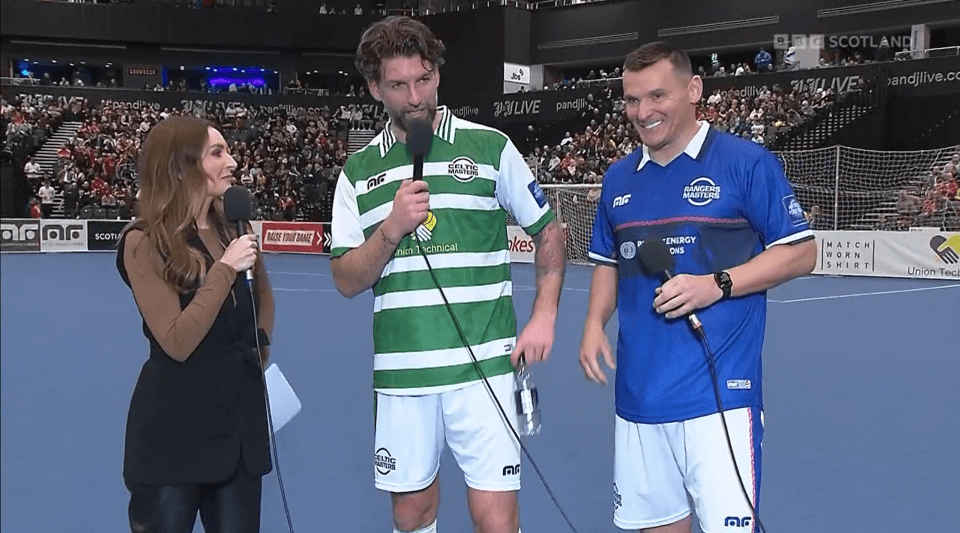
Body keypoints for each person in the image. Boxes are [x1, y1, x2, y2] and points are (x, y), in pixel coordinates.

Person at [330, 16, 565, 533]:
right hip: (403, 375)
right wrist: (391, 229)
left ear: (437, 73)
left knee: (496, 520)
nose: (415, 97)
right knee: (411, 514)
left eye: (423, 79)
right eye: (398, 84)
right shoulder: (358, 171)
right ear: (375, 88)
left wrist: (544, 315)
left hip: (485, 367)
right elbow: (346, 279)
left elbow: (548, 230)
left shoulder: (492, 147)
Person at [578, 42, 816, 533]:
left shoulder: (747, 163)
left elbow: (801, 252)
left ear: (693, 90)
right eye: (631, 100)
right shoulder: (618, 178)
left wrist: (718, 284)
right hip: (639, 397)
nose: (643, 113)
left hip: (720, 400)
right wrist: (593, 324)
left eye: (657, 96)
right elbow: (606, 262)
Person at [116, 115, 275, 533]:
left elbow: (263, 303)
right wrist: (224, 269)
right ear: (182, 165)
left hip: (238, 428)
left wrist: (256, 352)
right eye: (218, 153)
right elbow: (177, 341)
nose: (234, 162)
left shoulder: (231, 228)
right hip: (173, 433)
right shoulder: (143, 241)